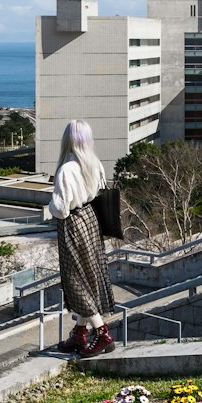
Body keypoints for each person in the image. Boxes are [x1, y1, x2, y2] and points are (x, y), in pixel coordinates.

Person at [48, 119, 115, 356]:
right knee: (89, 273)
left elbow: (60, 208)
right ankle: (79, 333)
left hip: (72, 223)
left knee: (76, 279)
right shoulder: (93, 163)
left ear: (68, 139)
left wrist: (50, 206)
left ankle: (102, 332)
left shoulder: (66, 169)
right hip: (90, 219)